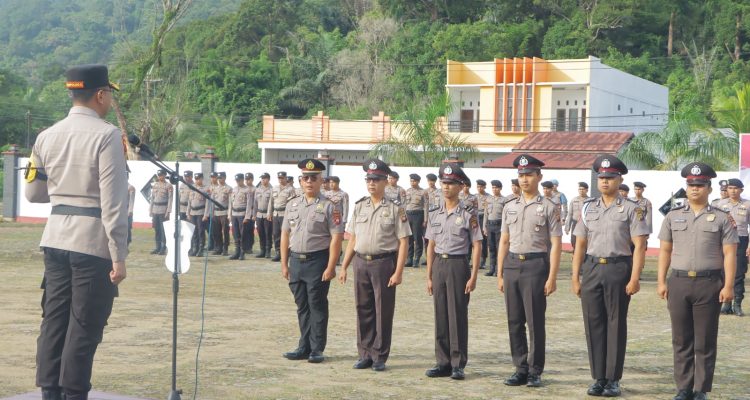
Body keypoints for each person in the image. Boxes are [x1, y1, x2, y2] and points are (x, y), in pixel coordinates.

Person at [25, 64, 128, 400]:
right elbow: (113, 204)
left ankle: (49, 392)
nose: (109, 100)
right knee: (84, 325)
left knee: (54, 320)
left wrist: (63, 191)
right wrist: (119, 256)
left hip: (54, 239)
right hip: (91, 243)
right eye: (109, 93)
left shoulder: (46, 136)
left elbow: (33, 194)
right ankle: (74, 393)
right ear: (100, 95)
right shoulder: (107, 135)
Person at [657, 163, 738, 400]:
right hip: (679, 282)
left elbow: (730, 253)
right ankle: (683, 387)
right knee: (681, 338)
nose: (695, 189)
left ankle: (700, 388)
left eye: (700, 185)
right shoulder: (673, 216)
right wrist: (661, 281)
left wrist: (728, 285)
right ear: (686, 187)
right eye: (691, 185)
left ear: (709, 188)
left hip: (709, 283)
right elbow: (665, 251)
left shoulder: (722, 218)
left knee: (705, 339)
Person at [571, 155, 649, 397]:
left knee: (615, 324)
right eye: (602, 178)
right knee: (593, 323)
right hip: (592, 268)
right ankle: (599, 377)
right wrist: (575, 277)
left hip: (618, 268)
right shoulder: (588, 208)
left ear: (619, 180)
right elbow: (580, 244)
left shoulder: (632, 209)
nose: (605, 182)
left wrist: (635, 278)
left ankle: (613, 379)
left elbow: (640, 246)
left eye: (610, 178)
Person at [339, 159, 411, 372]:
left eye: (376, 180)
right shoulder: (359, 206)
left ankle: (379, 355)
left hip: (383, 264)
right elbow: (352, 238)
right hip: (361, 262)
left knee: (382, 310)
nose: (371, 183)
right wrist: (344, 266)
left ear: (385, 182)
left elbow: (403, 241)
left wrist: (398, 271)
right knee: (363, 308)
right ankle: (364, 353)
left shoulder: (395, 209)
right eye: (369, 180)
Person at [497, 154, 562, 388]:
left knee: (535, 321)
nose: (524, 179)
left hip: (536, 266)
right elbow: (504, 241)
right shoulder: (509, 206)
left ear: (539, 177)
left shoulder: (549, 207)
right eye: (521, 175)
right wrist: (500, 273)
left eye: (529, 175)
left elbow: (556, 243)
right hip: (512, 265)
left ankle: (535, 370)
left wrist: (552, 276)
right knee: (514, 320)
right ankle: (520, 368)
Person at [280, 159, 344, 364]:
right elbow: (285, 234)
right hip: (296, 261)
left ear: (321, 181)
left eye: (313, 178)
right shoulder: (292, 204)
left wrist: (331, 266)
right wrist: (284, 263)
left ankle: (316, 349)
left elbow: (336, 237)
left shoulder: (330, 206)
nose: (309, 182)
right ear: (300, 181)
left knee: (317, 305)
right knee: (302, 306)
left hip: (317, 261)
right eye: (305, 178)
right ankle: (303, 346)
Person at [424, 163, 482, 381]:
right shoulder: (435, 213)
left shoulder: (468, 214)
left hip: (458, 265)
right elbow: (430, 245)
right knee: (440, 313)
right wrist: (429, 276)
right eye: (444, 183)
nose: (446, 187)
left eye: (451, 183)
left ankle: (457, 363)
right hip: (439, 263)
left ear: (460, 186)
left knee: (457, 314)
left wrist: (473, 276)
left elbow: (477, 245)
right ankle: (442, 362)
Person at [717, 178, 750, 316]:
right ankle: (726, 304)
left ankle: (737, 304)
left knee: (739, 273)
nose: (732, 191)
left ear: (741, 190)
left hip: (741, 241)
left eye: (736, 188)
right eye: (730, 188)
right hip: (724, 241)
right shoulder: (720, 204)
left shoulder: (747, 204)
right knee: (723, 272)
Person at [204, 171, 231, 256]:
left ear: (225, 178)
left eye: (221, 178)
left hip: (224, 212)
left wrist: (229, 214)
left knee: (225, 231)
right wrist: (211, 213)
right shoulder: (215, 189)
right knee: (216, 232)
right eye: (218, 178)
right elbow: (212, 202)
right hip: (215, 212)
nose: (219, 180)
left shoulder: (228, 189)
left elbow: (230, 203)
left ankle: (225, 248)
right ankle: (218, 248)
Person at [272, 171, 296, 261]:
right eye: (279, 178)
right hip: (276, 213)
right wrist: (269, 213)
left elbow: (293, 204)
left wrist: (291, 215)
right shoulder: (275, 188)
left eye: (282, 178)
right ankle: (278, 252)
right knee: (276, 233)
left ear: (286, 178)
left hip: (285, 214)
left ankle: (286, 252)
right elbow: (271, 201)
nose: (281, 180)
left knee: (286, 233)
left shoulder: (290, 189)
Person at [483, 180, 505, 277]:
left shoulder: (503, 200)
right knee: (491, 248)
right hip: (490, 225)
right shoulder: (488, 199)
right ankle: (491, 269)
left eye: (496, 187)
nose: (494, 189)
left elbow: (505, 215)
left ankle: (498, 269)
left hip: (499, 226)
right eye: (493, 187)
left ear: (500, 188)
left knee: (499, 248)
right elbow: (485, 214)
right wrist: (484, 227)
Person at [229, 173, 252, 260]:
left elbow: (249, 204)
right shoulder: (234, 189)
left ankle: (242, 252)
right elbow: (231, 203)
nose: (238, 182)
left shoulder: (247, 190)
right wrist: (229, 214)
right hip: (234, 214)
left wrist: (247, 216)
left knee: (243, 234)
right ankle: (237, 251)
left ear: (243, 180)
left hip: (242, 214)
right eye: (236, 180)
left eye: (239, 180)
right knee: (235, 234)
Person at [149, 169, 173, 255]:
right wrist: (150, 210)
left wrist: (168, 211)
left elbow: (170, 199)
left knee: (163, 230)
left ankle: (163, 248)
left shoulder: (168, 186)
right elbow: (152, 198)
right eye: (159, 175)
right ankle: (157, 247)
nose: (160, 177)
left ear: (165, 175)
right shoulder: (155, 185)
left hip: (163, 210)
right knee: (157, 229)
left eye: (162, 175)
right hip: (155, 209)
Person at [405, 173, 426, 267]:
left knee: (417, 237)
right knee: (409, 238)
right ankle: (409, 258)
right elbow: (403, 204)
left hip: (418, 215)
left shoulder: (423, 192)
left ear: (418, 181)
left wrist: (425, 219)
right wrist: (403, 216)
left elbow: (426, 206)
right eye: (411, 181)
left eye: (414, 181)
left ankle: (417, 258)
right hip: (408, 215)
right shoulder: (407, 191)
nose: (412, 182)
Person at [188, 173, 208, 256]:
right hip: (193, 212)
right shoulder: (192, 188)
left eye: (198, 179)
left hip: (201, 212)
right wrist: (188, 212)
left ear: (202, 179)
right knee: (194, 231)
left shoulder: (205, 189)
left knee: (200, 231)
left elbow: (207, 203)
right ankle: (195, 248)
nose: (197, 180)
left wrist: (205, 214)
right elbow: (189, 201)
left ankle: (201, 249)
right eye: (196, 179)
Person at [254, 172, 273, 258]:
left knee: (268, 233)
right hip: (259, 214)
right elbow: (255, 203)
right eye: (262, 178)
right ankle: (262, 250)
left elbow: (272, 204)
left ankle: (268, 251)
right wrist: (254, 214)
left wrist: (270, 214)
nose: (262, 180)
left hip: (267, 215)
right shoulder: (258, 189)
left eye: (264, 178)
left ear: (268, 179)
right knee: (260, 233)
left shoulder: (272, 189)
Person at [566, 182, 590, 250]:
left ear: (587, 190)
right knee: (573, 240)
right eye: (579, 189)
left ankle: (584, 255)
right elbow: (570, 214)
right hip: (575, 223)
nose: (581, 191)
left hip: (585, 224)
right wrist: (567, 227)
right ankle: (575, 253)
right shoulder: (574, 200)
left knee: (585, 241)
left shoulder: (590, 200)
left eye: (583, 189)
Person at [475, 179, 490, 269]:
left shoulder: (488, 197)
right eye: (478, 187)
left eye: (481, 187)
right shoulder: (474, 196)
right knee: (475, 239)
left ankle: (483, 261)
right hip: (475, 218)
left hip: (483, 218)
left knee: (483, 240)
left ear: (484, 187)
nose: (479, 188)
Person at [243, 173, 257, 255]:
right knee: (243, 231)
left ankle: (249, 247)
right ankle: (244, 247)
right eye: (246, 179)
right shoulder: (243, 188)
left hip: (251, 213)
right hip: (243, 212)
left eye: (249, 179)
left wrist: (254, 215)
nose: (247, 181)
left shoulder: (255, 189)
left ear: (252, 179)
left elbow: (255, 203)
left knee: (250, 231)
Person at [206, 171, 219, 252]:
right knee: (209, 229)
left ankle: (216, 245)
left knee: (215, 230)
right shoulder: (209, 187)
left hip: (216, 211)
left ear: (217, 178)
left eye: (214, 177)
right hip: (209, 211)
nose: (213, 179)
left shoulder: (219, 187)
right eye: (211, 177)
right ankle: (210, 244)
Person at [127, 178, 135, 246]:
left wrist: (130, 210)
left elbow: (131, 200)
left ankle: (128, 242)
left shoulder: (130, 187)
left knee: (127, 228)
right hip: (120, 210)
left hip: (127, 210)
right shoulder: (120, 186)